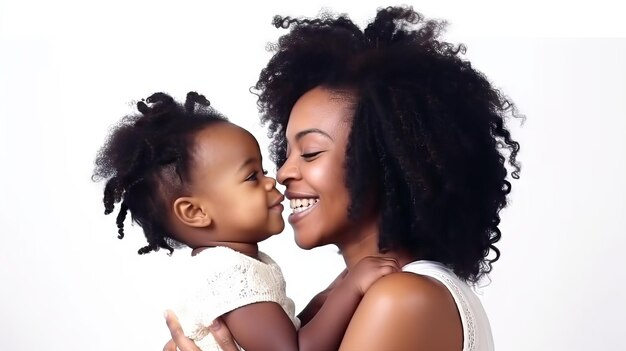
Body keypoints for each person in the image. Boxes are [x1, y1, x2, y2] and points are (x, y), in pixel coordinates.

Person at [165, 5, 522, 351]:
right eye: (285, 153)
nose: (284, 172)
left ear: (388, 161)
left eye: (310, 152)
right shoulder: (367, 299)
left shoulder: (402, 299)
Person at [93, 91, 399, 350]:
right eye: (252, 176)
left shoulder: (236, 264)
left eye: (263, 170)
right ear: (195, 212)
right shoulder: (228, 274)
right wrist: (351, 289)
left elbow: (281, 333)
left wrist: (324, 300)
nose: (273, 180)